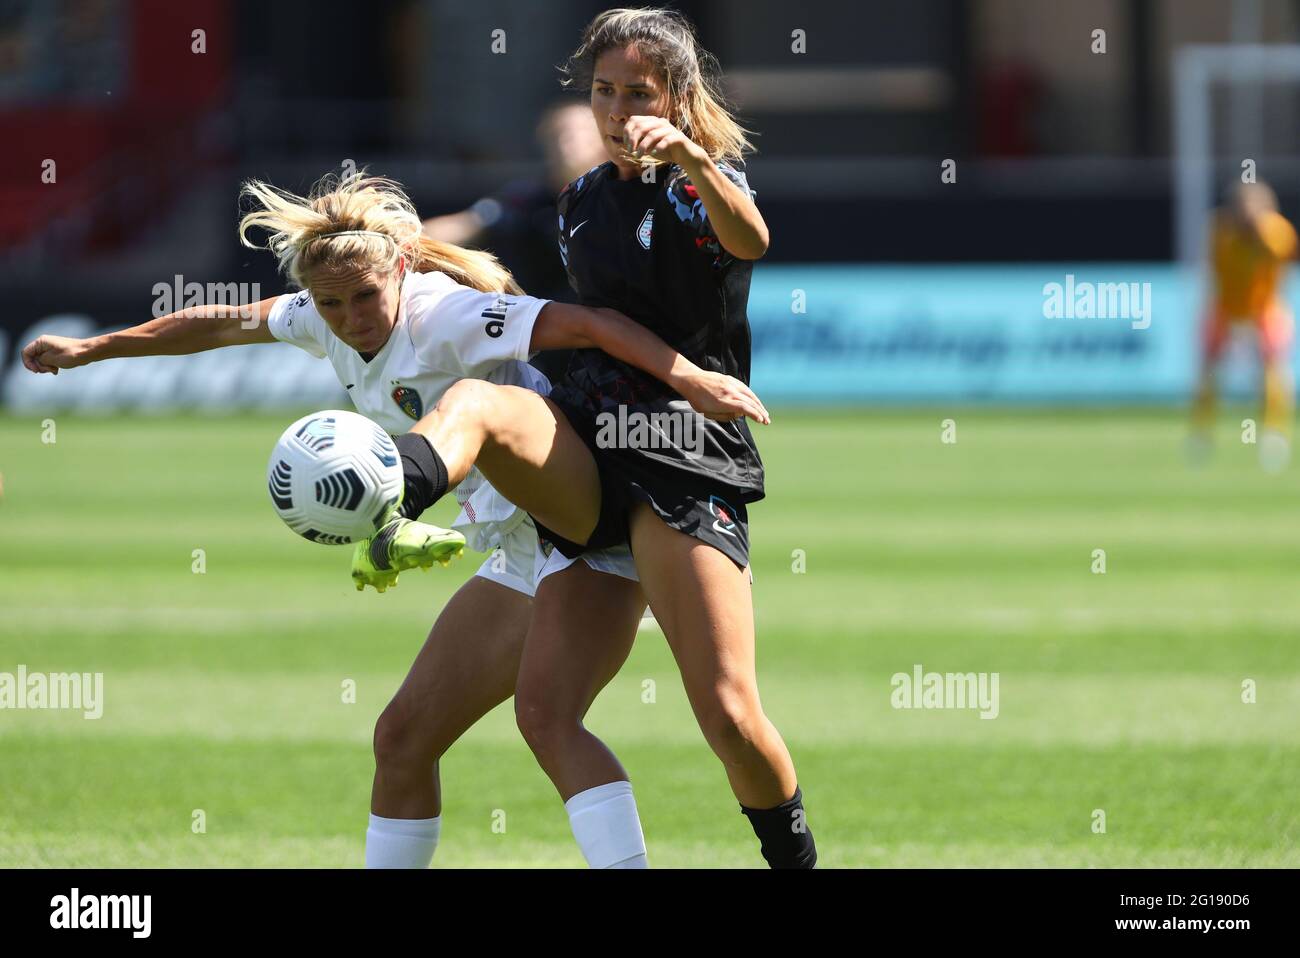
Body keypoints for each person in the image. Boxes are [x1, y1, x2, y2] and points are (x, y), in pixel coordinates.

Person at [19, 170, 767, 869]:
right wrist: (91, 349)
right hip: (519, 547)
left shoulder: (448, 314)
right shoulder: (323, 313)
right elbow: (217, 324)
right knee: (405, 737)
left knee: (556, 705)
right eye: (332, 305)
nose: (349, 320)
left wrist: (691, 377)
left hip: (581, 506)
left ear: (401, 272)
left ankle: (397, 502)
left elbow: (592, 325)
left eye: (365, 299)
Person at [378, 6, 817, 868]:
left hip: (684, 451)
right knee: (543, 710)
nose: (616, 110)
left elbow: (752, 239)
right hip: (590, 458)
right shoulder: (581, 198)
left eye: (637, 93)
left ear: (677, 96)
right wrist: (400, 255)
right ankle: (397, 491)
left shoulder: (705, 182)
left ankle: (796, 863)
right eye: (603, 91)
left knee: (727, 713)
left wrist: (692, 156)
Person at [1191, 181, 1297, 472]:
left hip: (1264, 308)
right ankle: (1202, 433)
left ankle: (1273, 435)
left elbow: (1281, 266)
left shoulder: (1276, 235)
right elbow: (1216, 273)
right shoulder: (1221, 233)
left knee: (1273, 370)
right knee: (1208, 370)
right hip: (1227, 308)